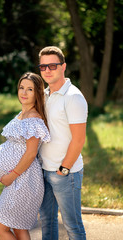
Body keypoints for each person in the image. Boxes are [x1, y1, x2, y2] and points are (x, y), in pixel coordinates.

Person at [0, 72, 50, 240]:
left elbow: (31, 153)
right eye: (21, 88)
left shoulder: (33, 119)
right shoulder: (23, 113)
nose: (24, 92)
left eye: (29, 89)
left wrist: (11, 176)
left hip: (23, 180)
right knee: (19, 228)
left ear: (37, 93)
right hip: (19, 180)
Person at [38, 46, 88, 240]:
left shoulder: (73, 97)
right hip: (43, 170)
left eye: (52, 65)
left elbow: (79, 139)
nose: (47, 70)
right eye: (43, 67)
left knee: (72, 227)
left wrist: (64, 169)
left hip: (66, 173)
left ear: (63, 66)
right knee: (47, 224)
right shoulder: (43, 95)